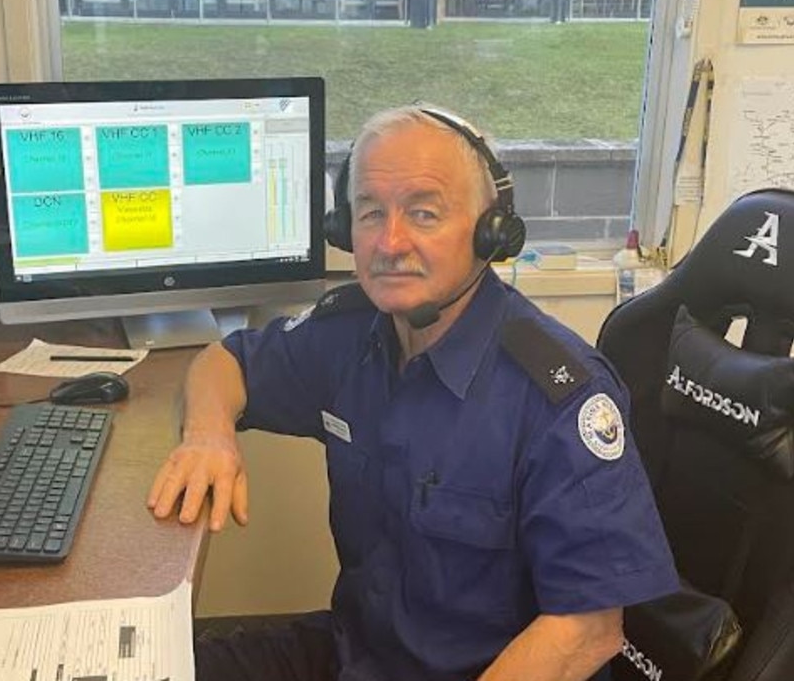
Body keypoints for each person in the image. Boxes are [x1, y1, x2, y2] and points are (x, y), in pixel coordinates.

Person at [146, 106, 679, 681]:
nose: (390, 241)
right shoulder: (349, 334)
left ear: (490, 232)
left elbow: (588, 630)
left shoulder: (559, 397)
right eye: (372, 213)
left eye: (423, 214)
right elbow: (224, 362)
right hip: (359, 654)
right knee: (138, 667)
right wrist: (210, 436)